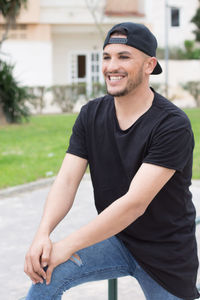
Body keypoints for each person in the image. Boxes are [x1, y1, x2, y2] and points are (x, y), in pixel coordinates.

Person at [24, 22, 199, 300]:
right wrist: (43, 234)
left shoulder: (172, 125)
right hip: (117, 238)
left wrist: (66, 246)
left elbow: (134, 204)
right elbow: (67, 181)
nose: (111, 66)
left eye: (124, 57)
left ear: (149, 65)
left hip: (166, 255)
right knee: (47, 275)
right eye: (107, 57)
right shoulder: (90, 114)